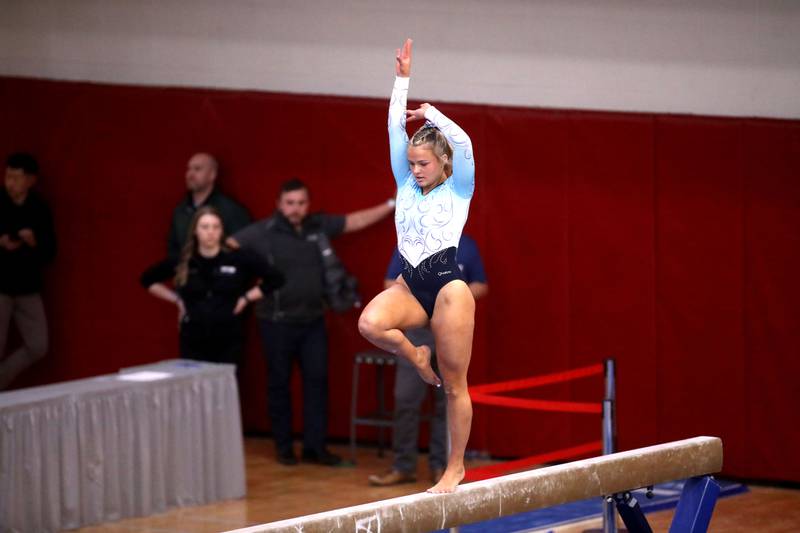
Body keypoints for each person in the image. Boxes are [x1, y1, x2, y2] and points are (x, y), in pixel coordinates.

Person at [357, 38, 476, 493]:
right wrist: (401, 79)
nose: (416, 169)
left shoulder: (459, 186)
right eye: (411, 163)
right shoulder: (405, 182)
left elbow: (464, 141)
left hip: (448, 288)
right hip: (410, 285)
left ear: (442, 161)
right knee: (370, 323)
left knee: (454, 385)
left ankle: (455, 467)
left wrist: (432, 113)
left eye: (423, 162)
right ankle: (415, 354)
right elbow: (392, 126)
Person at [230, 178, 395, 467]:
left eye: (301, 203)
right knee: (279, 384)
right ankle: (283, 448)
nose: (295, 209)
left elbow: (353, 222)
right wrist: (249, 287)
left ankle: (315, 448)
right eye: (290, 203)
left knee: (317, 383)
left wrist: (392, 205)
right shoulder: (263, 232)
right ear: (279, 205)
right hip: (275, 321)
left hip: (313, 321)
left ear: (308, 204)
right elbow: (229, 245)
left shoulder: (317, 225)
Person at [368, 235, 487, 487]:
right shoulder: (409, 240)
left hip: (449, 319)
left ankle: (443, 465)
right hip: (417, 325)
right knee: (405, 398)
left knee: (450, 394)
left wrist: (450, 301)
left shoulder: (464, 243)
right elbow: (391, 281)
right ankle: (403, 465)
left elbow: (480, 284)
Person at [141, 206, 284, 364]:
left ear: (222, 230)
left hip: (227, 337)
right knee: (195, 385)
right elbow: (147, 279)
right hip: (193, 338)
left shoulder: (236, 258)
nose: (211, 232)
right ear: (195, 230)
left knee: (223, 385)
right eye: (205, 227)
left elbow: (276, 278)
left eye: (216, 227)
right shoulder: (184, 260)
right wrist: (177, 300)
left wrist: (246, 298)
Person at [0, 153, 57, 390]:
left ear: (31, 180)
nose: (10, 182)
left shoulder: (39, 208)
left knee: (38, 345)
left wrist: (34, 241)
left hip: (28, 287)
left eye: (16, 177)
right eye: (7, 176)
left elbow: (50, 252)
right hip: (0, 286)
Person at [167, 153, 251, 259]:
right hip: (187, 272)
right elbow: (173, 249)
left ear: (212, 175)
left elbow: (244, 248)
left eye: (197, 169)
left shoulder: (231, 210)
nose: (190, 174)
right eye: (189, 169)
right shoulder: (180, 211)